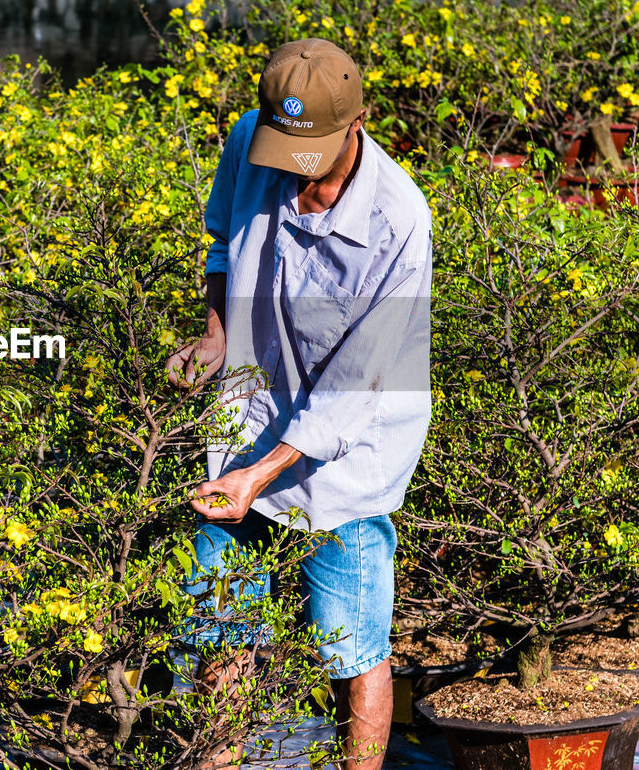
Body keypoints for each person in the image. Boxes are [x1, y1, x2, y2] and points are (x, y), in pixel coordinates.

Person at [166, 38, 432, 769]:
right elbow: (222, 242)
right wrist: (218, 334)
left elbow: (352, 388)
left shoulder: (399, 220)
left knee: (351, 647)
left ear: (358, 124)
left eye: (309, 150)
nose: (293, 169)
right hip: (242, 429)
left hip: (346, 461)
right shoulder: (251, 141)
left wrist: (262, 475)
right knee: (221, 632)